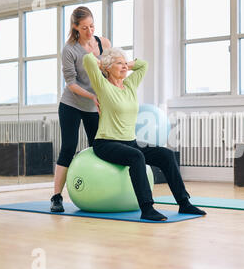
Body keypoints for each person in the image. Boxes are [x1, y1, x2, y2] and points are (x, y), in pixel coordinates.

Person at [82, 48, 206, 221]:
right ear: (108, 67)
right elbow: (88, 60)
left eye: (125, 63)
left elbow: (143, 65)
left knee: (167, 154)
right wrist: (103, 62)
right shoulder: (102, 86)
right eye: (119, 63)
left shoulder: (130, 85)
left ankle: (184, 203)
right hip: (106, 143)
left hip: (130, 142)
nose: (125, 67)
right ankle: (147, 208)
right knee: (136, 156)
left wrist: (125, 64)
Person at [50, 6, 111, 212]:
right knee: (69, 146)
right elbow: (71, 83)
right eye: (84, 27)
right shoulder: (70, 49)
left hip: (94, 106)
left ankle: (102, 189)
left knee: (99, 146)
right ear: (75, 27)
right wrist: (93, 96)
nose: (89, 31)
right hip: (72, 104)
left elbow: (109, 72)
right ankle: (56, 196)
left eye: (92, 26)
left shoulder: (103, 43)